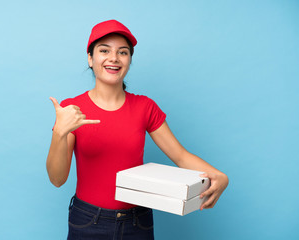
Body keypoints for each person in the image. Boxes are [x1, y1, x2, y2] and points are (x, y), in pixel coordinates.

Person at [46, 19, 229, 240]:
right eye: (104, 50)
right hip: (88, 221)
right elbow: (57, 179)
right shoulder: (72, 109)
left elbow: (181, 156)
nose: (114, 58)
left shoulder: (145, 107)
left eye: (122, 52)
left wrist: (219, 176)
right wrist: (59, 133)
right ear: (90, 58)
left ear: (129, 60)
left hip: (137, 222)